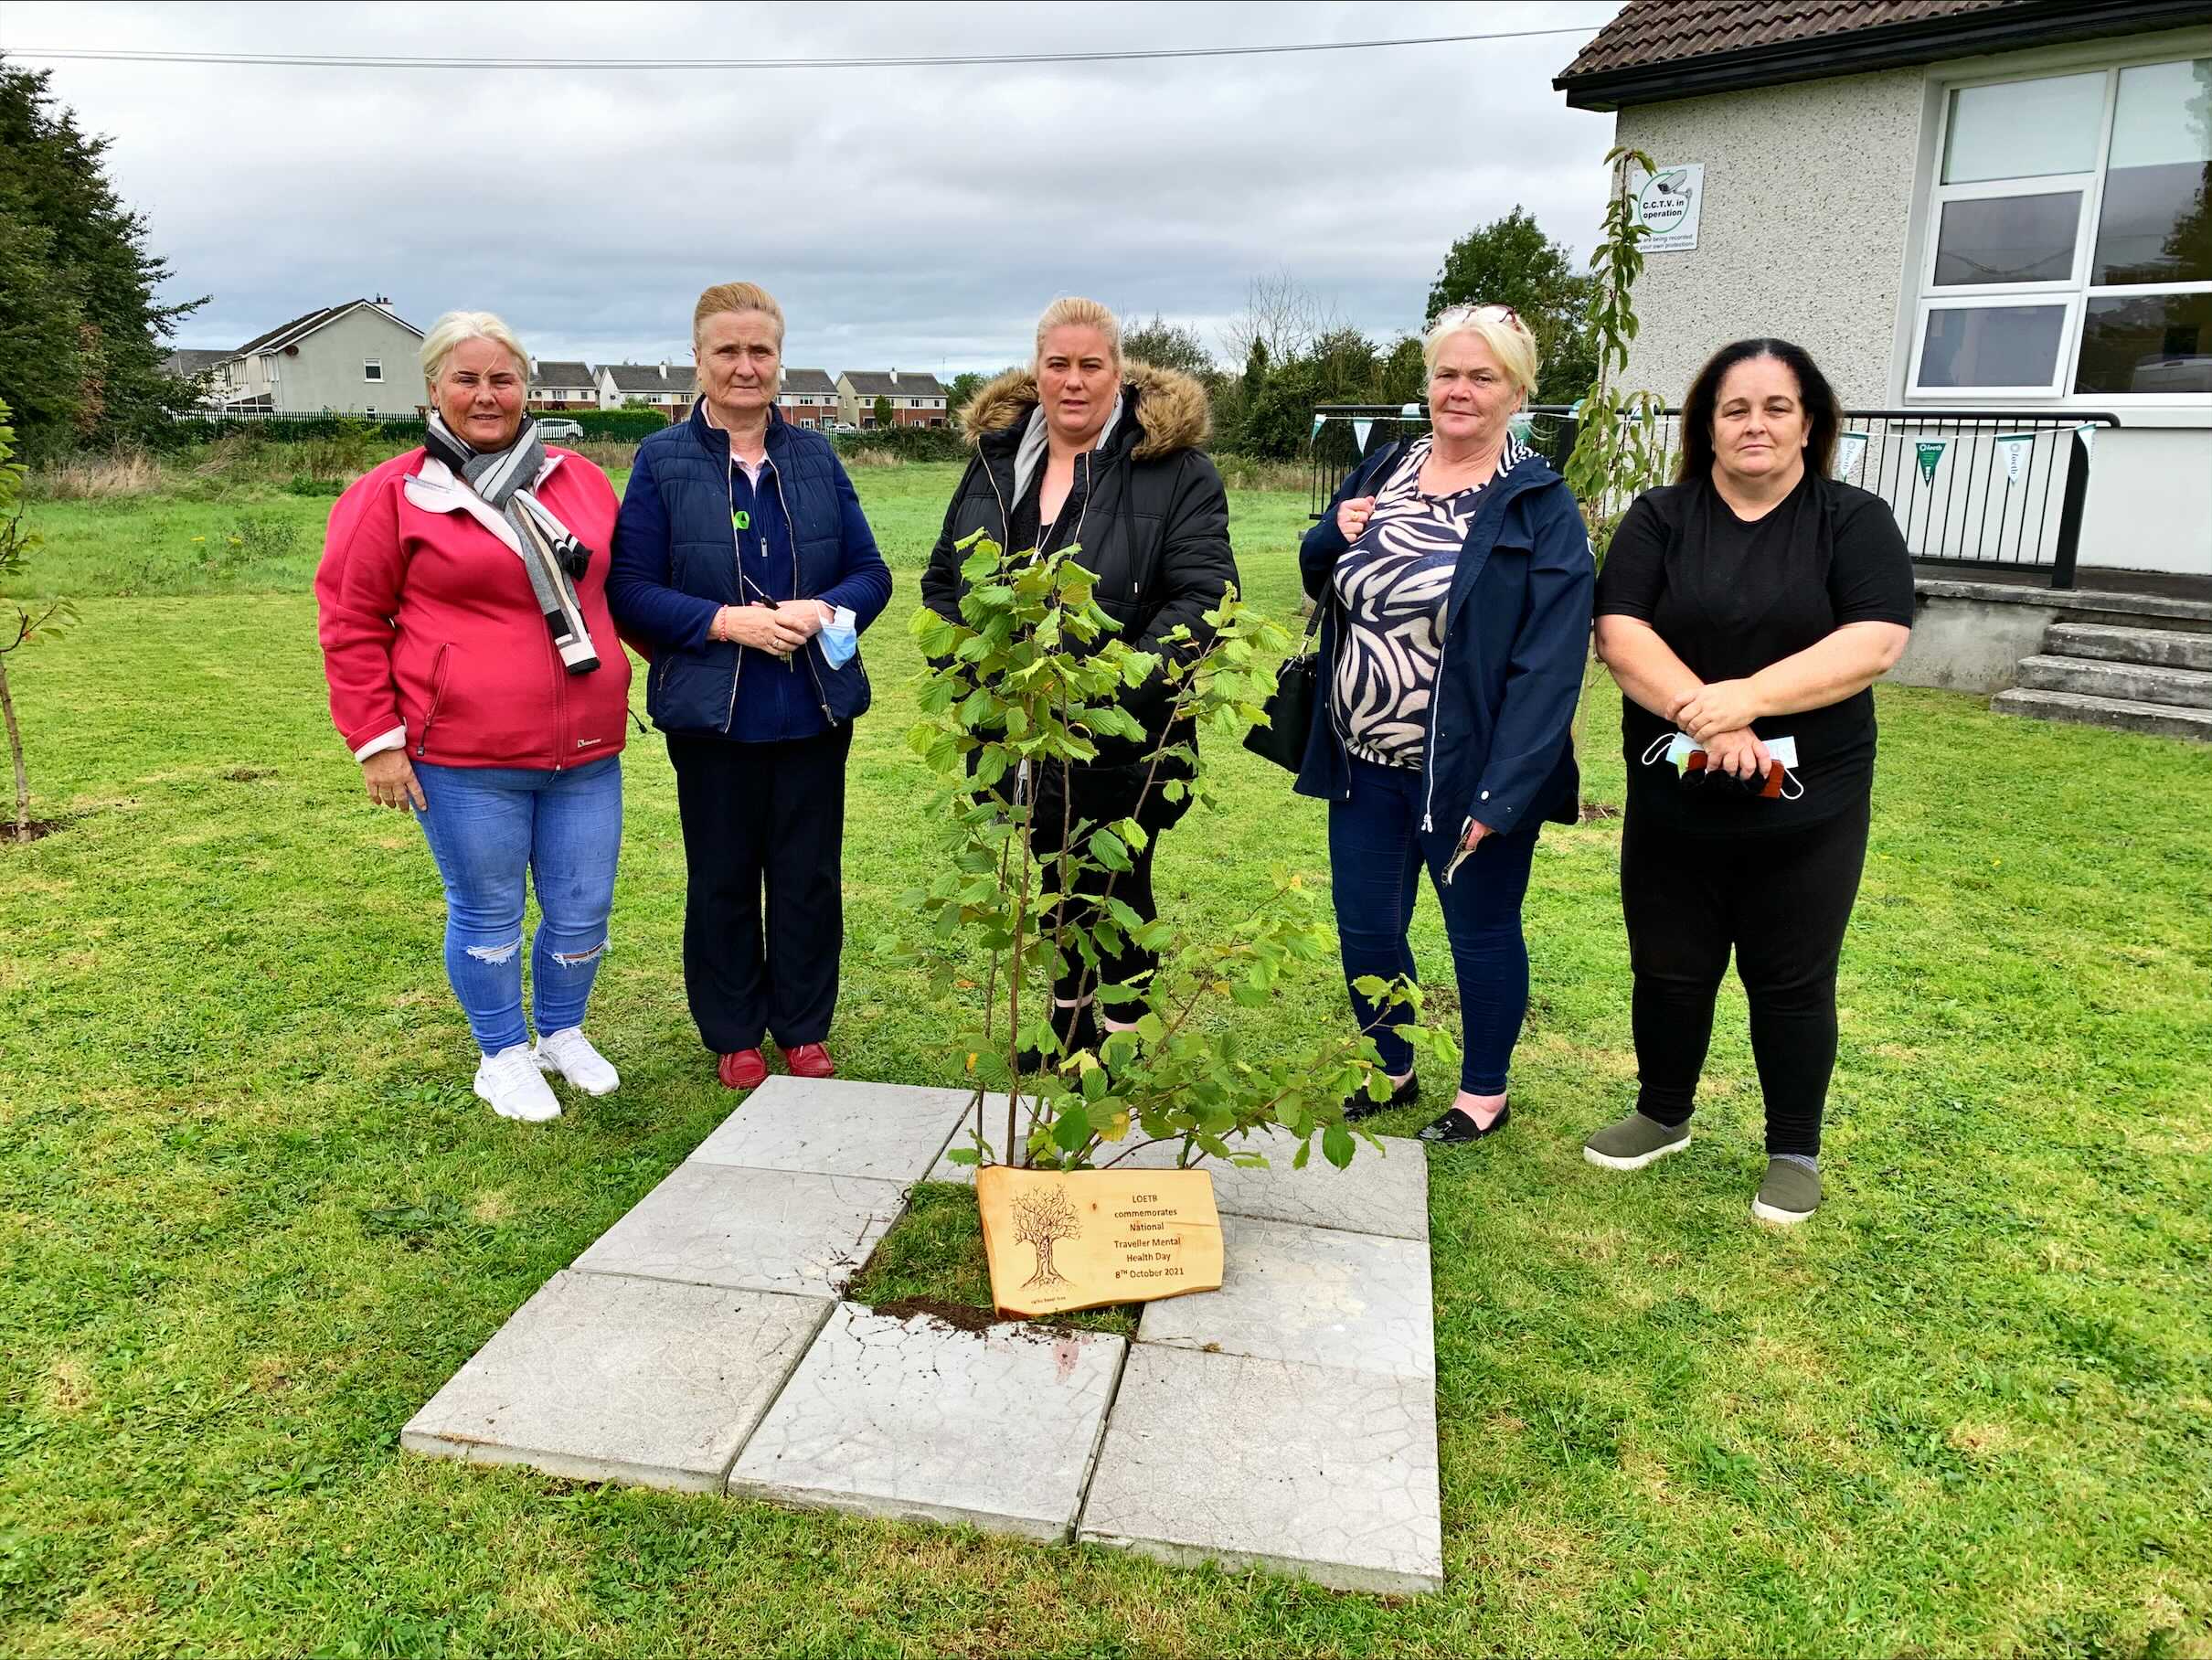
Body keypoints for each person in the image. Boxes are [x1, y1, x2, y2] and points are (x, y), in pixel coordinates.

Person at [1582, 337, 1912, 1225]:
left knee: (1792, 979)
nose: (1754, 424)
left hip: (1811, 808)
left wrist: (1745, 703)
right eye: (1735, 408)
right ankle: (1661, 1112)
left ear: (1808, 421)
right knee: (1667, 967)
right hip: (1674, 796)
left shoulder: (1851, 521)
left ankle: (1792, 1149)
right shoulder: (1658, 517)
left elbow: (1873, 641)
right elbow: (1618, 633)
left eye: (1775, 406)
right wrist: (1704, 715)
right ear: (1706, 424)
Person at [315, 311, 631, 1123]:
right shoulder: (393, 494)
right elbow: (351, 622)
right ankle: (502, 1052)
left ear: (525, 386)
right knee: (488, 910)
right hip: (464, 755)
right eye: (467, 379)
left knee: (582, 904)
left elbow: (617, 594)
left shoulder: (578, 479)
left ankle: (561, 1031)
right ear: (434, 390)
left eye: (502, 378)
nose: (486, 395)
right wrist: (377, 743)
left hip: (586, 749)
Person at [1296, 304, 1595, 1144]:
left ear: (1517, 392)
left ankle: (1483, 1094)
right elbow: (1323, 574)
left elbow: (1552, 661)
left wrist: (1504, 792)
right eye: (1447, 374)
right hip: (1363, 758)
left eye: (1482, 377)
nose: (1459, 391)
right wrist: (1329, 531)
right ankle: (1389, 1064)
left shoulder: (1537, 503)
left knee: (1482, 928)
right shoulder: (1385, 469)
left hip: (1469, 768)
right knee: (1366, 924)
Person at [920, 297, 1235, 1060]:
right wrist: (978, 672)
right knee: (1055, 880)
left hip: (1122, 727)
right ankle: (1068, 1033)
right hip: (1016, 726)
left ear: (1118, 373)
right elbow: (942, 582)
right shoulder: (997, 463)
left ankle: (1116, 1055)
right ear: (1037, 369)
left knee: (1116, 884)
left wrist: (1105, 689)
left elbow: (1204, 598)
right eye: (1057, 364)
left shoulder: (1176, 470)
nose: (1073, 381)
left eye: (1090, 365)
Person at [608, 282, 890, 1091]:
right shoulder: (663, 464)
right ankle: (733, 1030)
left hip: (811, 710)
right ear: (698, 360)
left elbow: (871, 573)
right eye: (726, 351)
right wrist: (725, 623)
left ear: (779, 360)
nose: (744, 366)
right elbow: (630, 588)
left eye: (758, 351)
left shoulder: (817, 458)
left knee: (807, 876)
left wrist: (823, 607)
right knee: (724, 876)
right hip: (713, 714)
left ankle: (803, 1027)